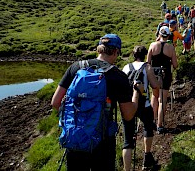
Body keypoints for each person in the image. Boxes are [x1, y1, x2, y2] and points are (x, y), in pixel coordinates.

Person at [51, 34, 143, 171]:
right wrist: (137, 92)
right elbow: (128, 115)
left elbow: (55, 103)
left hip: (75, 139)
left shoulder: (76, 67)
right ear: (116, 51)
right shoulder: (118, 76)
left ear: (99, 49)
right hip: (103, 144)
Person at [122, 46, 160, 171]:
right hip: (144, 104)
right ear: (144, 55)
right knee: (148, 128)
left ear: (133, 55)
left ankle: (127, 169)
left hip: (129, 105)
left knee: (127, 140)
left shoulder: (126, 67)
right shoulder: (147, 67)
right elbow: (155, 86)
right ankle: (147, 157)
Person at [147, 26, 178, 134]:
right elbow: (175, 64)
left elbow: (148, 62)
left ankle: (151, 121)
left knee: (154, 96)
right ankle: (160, 125)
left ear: (159, 34)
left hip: (154, 74)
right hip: (165, 74)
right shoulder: (170, 47)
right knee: (162, 100)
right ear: (168, 35)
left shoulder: (152, 45)